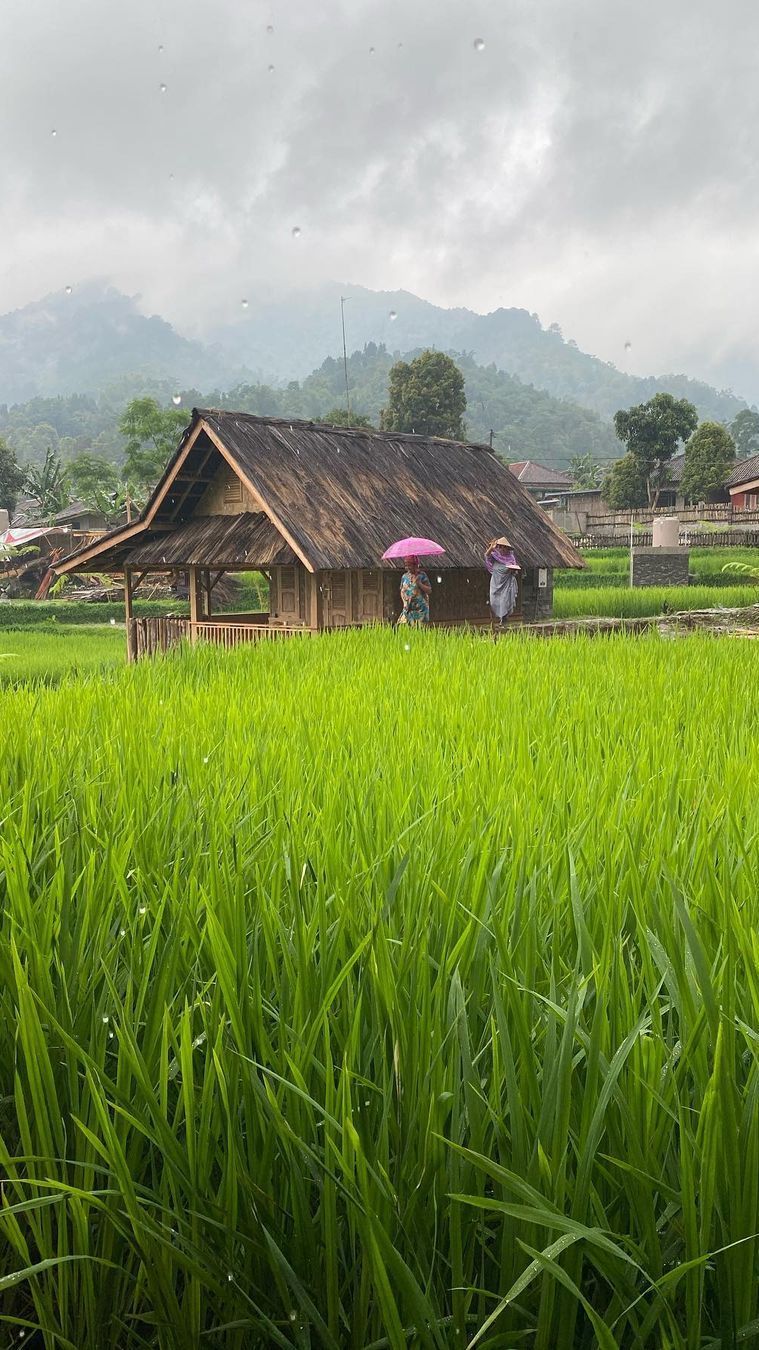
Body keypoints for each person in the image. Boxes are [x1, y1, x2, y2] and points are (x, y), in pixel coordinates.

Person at [485, 536, 521, 623]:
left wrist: (512, 570)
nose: (502, 549)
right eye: (500, 547)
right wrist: (491, 547)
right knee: (493, 601)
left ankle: (503, 619)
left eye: (504, 547)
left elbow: (514, 571)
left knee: (505, 601)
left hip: (506, 583)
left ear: (507, 548)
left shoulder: (511, 558)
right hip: (496, 582)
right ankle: (499, 617)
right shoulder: (494, 556)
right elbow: (487, 556)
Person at [397, 555, 431, 625]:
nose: (407, 568)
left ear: (415, 565)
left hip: (420, 608)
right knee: (401, 625)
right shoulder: (404, 576)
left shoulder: (422, 575)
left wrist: (419, 584)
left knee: (419, 629)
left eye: (409, 565)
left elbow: (429, 590)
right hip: (408, 606)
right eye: (406, 565)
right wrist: (404, 600)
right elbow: (402, 590)